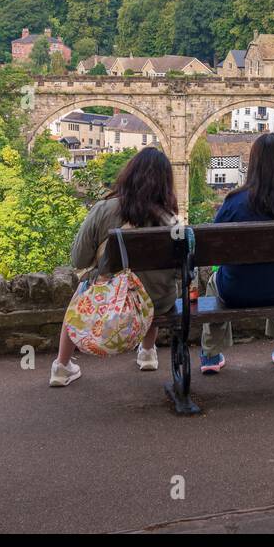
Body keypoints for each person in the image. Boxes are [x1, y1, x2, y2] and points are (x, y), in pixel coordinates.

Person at [51, 147, 180, 386]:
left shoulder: (105, 209)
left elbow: (78, 260)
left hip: (111, 299)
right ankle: (148, 353)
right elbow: (179, 268)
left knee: (83, 291)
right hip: (158, 303)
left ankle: (61, 366)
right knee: (150, 286)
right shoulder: (170, 219)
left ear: (129, 175)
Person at [200, 133, 274, 373]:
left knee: (214, 282)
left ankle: (211, 355)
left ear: (252, 164)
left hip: (238, 291)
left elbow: (213, 248)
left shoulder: (234, 203)